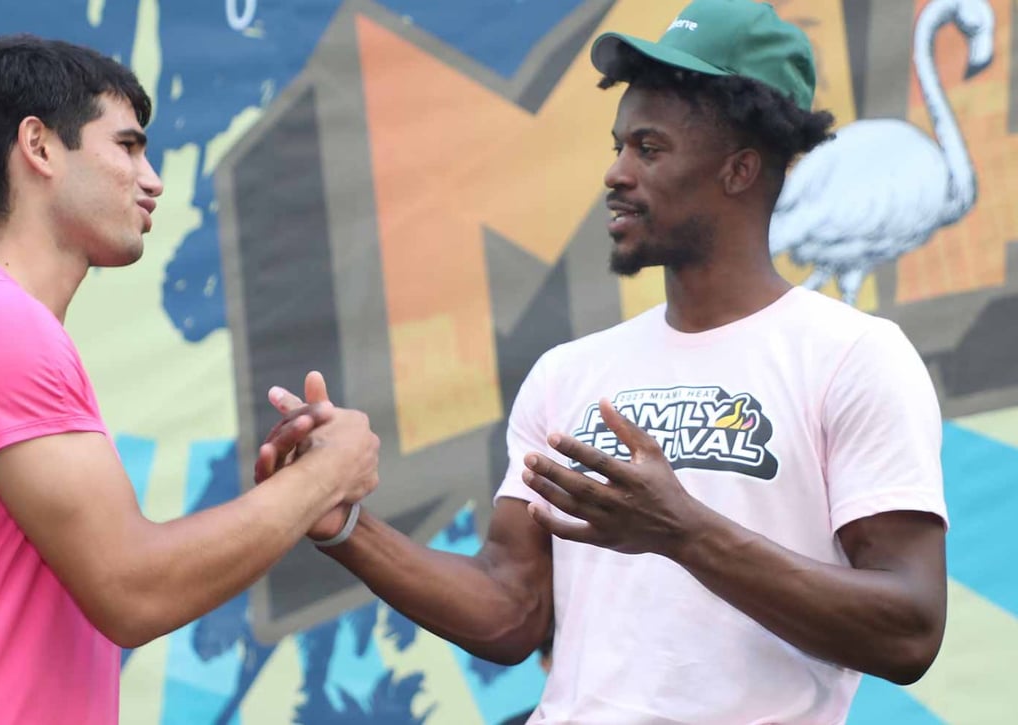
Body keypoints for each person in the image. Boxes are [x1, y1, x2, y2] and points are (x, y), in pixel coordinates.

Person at [260, 1, 948, 722]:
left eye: (648, 149)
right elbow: (511, 609)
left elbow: (910, 629)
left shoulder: (855, 357)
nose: (616, 173)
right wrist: (344, 524)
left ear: (740, 169)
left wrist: (685, 530)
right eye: (619, 145)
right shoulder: (568, 374)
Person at [0, 35, 378, 724]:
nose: (152, 179)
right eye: (127, 147)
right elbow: (133, 588)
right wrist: (327, 475)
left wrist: (303, 494)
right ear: (38, 147)